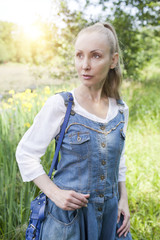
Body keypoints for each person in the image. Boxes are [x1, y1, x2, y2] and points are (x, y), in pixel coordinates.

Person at [16, 22, 132, 240]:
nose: (84, 65)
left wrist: (122, 198)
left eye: (95, 56)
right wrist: (56, 194)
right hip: (68, 222)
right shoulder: (62, 105)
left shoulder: (120, 109)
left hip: (110, 218)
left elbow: (119, 160)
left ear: (113, 60)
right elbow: (25, 154)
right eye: (79, 55)